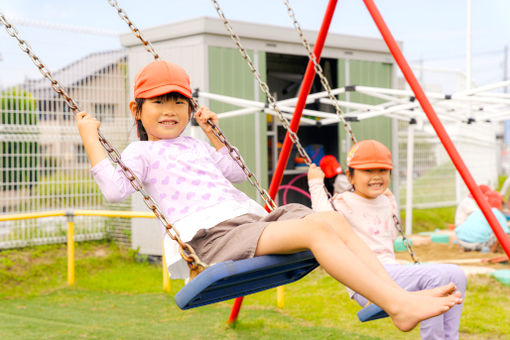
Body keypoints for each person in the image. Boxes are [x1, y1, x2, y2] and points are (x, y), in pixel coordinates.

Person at [76, 60, 462, 332]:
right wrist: (91, 138)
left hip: (248, 223)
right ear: (137, 109)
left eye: (179, 102)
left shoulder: (193, 144)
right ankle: (399, 304)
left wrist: (213, 133)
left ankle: (389, 297)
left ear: (190, 107)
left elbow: (235, 173)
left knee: (329, 219)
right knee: (316, 234)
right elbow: (114, 189)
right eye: (159, 102)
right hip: (211, 239)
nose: (170, 110)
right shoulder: (140, 153)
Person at [308, 139, 467, 339]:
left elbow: (389, 238)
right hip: (365, 279)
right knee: (436, 278)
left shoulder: (384, 201)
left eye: (382, 171)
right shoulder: (343, 202)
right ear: (350, 177)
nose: (376, 177)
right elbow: (322, 219)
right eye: (368, 171)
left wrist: (391, 203)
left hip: (389, 273)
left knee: (457, 275)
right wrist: (315, 183)